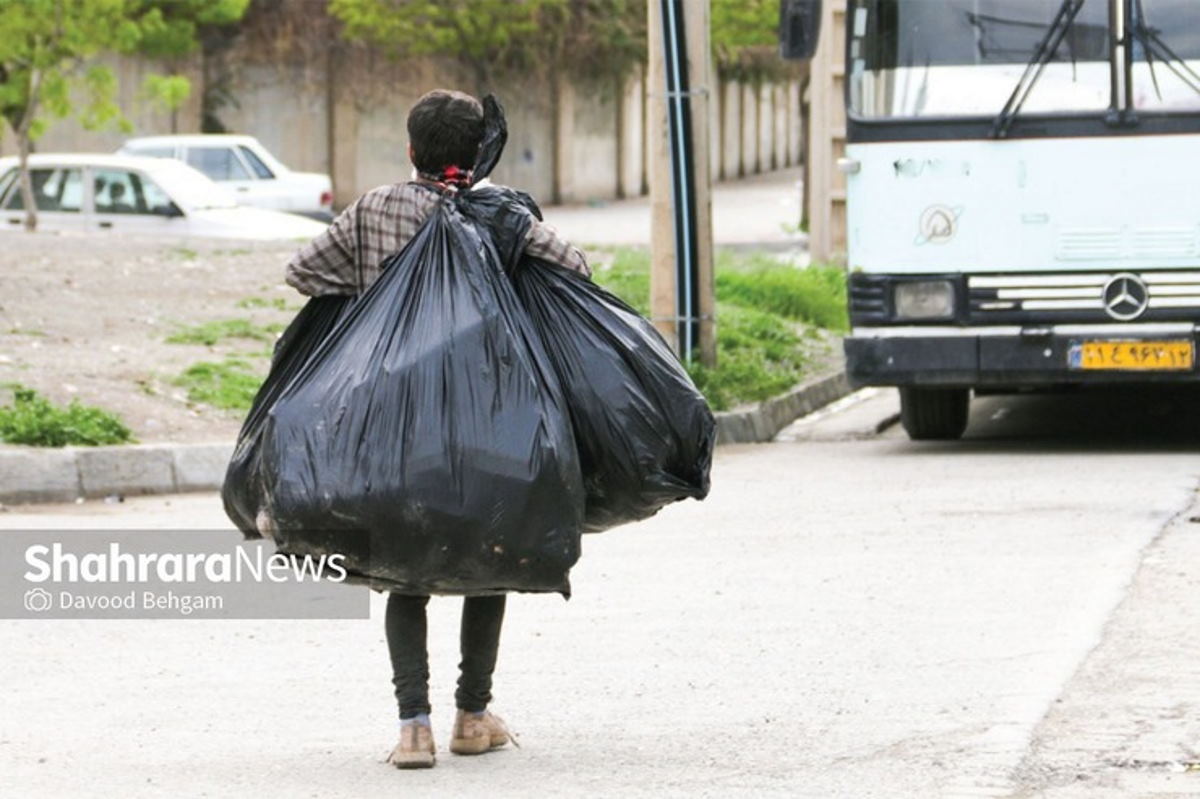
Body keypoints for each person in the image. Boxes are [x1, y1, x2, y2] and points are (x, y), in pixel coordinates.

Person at [283, 89, 591, 770]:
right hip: (491, 429)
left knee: (406, 574)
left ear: (412, 150)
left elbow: (302, 271)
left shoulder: (375, 209)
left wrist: (371, 295)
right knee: (491, 566)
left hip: (389, 430)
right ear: (476, 153)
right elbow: (576, 269)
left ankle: (413, 728)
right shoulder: (500, 215)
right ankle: (473, 715)